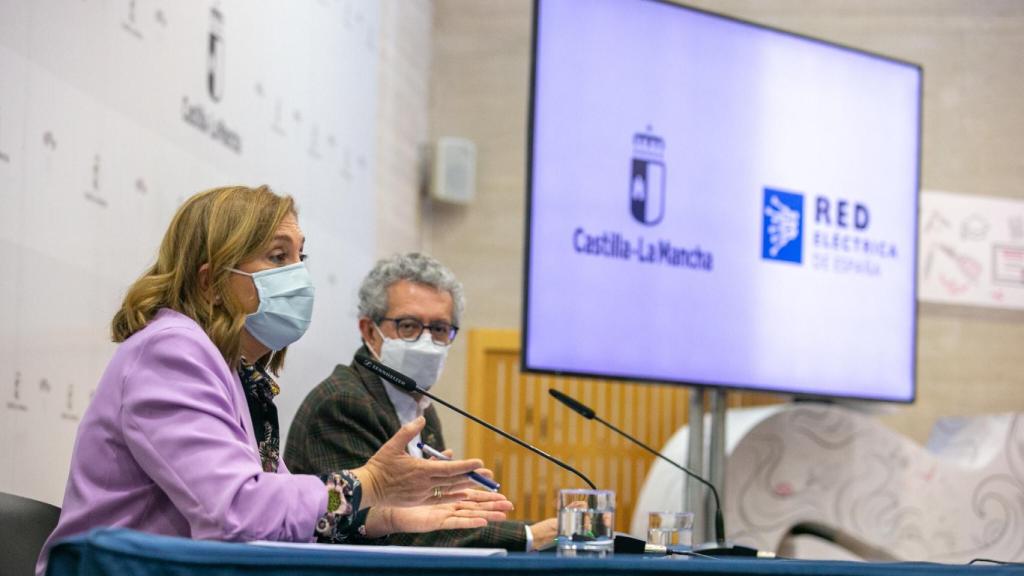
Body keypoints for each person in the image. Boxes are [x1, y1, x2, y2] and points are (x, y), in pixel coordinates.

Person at [36, 187, 510, 575]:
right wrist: (365, 483)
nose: (299, 275)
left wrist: (381, 515)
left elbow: (272, 504)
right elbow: (236, 511)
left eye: (300, 256)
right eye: (277, 256)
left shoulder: (236, 372)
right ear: (209, 281)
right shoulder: (171, 351)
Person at [285, 253, 558, 551]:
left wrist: (450, 499)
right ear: (368, 331)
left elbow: (433, 516)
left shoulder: (422, 408)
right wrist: (530, 536)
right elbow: (396, 527)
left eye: (439, 329)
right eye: (409, 326)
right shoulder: (343, 403)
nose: (426, 342)